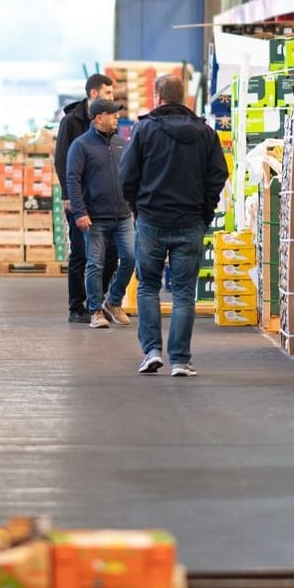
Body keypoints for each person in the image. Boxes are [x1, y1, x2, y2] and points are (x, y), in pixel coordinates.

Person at [119, 73, 227, 377]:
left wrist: (138, 208)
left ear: (157, 96)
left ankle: (152, 351)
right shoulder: (206, 133)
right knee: (182, 293)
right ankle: (180, 360)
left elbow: (126, 176)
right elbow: (217, 176)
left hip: (152, 220)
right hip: (190, 221)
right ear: (185, 98)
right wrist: (205, 211)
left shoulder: (143, 130)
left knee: (148, 288)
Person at [55, 74, 118, 323]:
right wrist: (68, 195)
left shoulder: (108, 122)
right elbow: (61, 159)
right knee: (80, 253)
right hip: (78, 199)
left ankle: (97, 301)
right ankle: (76, 307)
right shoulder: (72, 121)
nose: (113, 99)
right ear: (94, 94)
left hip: (104, 200)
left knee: (111, 252)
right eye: (109, 93)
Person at [67, 99, 135, 329]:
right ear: (98, 118)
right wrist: (80, 212)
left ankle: (113, 301)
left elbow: (130, 175)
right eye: (112, 114)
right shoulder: (80, 145)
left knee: (131, 257)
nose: (117, 117)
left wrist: (133, 205)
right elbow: (73, 180)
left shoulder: (121, 143)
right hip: (94, 217)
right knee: (95, 263)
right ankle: (95, 310)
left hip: (123, 215)